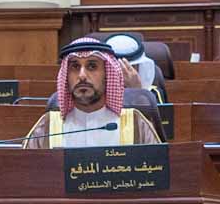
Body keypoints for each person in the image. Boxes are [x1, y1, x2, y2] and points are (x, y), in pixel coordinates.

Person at [25, 39, 160, 148]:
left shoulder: (134, 123)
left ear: (107, 75)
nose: (82, 75)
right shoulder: (47, 126)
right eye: (75, 67)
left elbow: (156, 174)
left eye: (92, 66)